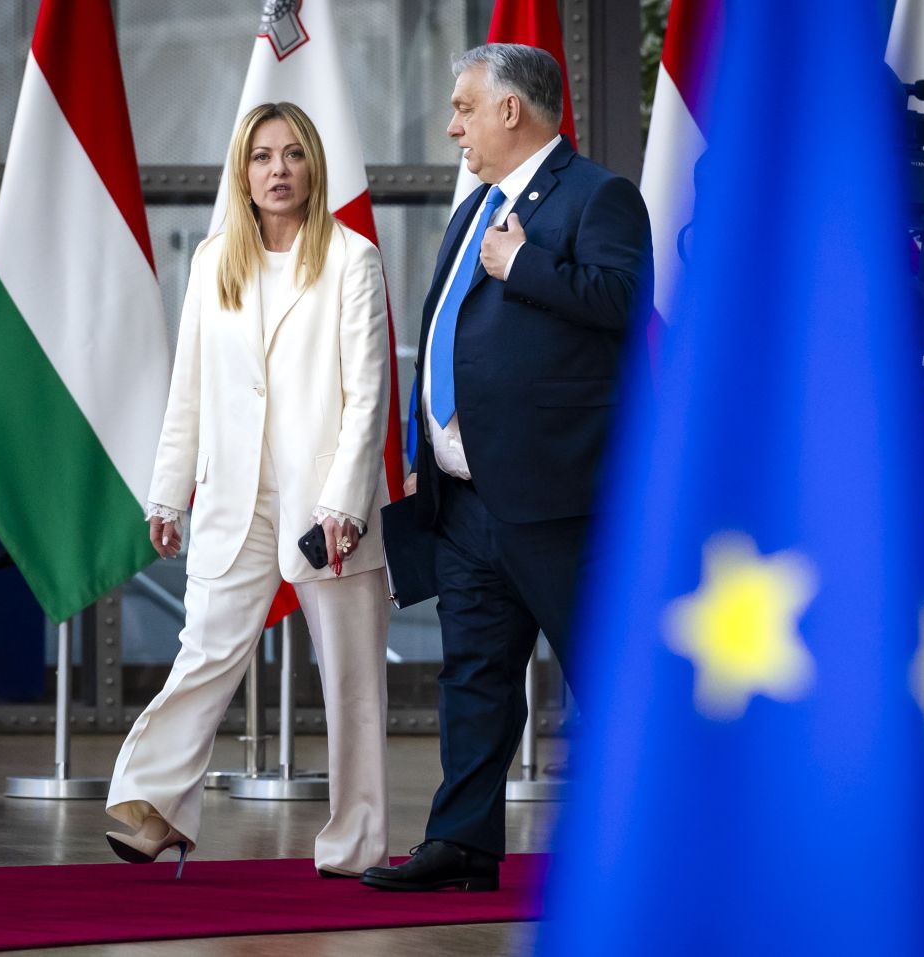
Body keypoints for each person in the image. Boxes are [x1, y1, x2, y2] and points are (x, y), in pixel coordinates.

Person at [360, 44, 653, 892]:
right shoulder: (474, 210)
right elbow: (446, 336)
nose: (454, 126)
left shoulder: (598, 196)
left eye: (465, 107)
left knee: (609, 674)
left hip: (560, 500)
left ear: (510, 110)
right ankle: (462, 843)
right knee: (474, 677)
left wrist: (525, 264)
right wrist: (425, 454)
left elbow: (626, 301)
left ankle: (665, 842)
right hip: (464, 501)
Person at [104, 101, 393, 877]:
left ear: (313, 166)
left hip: (327, 504)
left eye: (292, 154)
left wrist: (343, 503)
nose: (278, 169)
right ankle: (153, 806)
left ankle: (355, 842)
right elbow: (188, 390)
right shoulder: (213, 261)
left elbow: (368, 396)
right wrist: (168, 493)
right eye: (262, 156)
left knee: (352, 681)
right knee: (203, 651)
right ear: (243, 169)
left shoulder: (353, 259)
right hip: (234, 496)